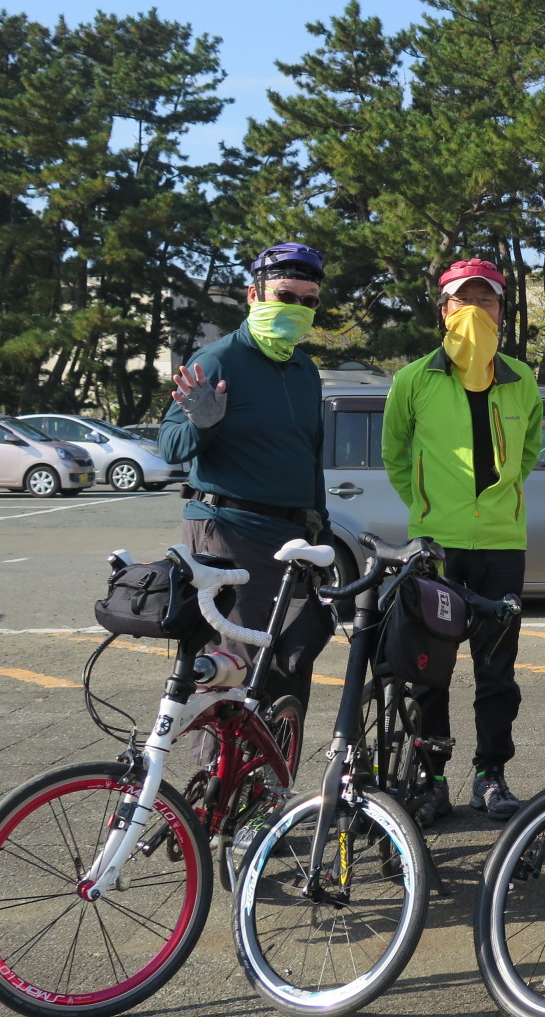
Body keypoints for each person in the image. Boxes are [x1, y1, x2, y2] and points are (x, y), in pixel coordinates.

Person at [381, 258, 542, 824]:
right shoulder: (412, 380)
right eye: (463, 300)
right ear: (443, 310)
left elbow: (526, 458)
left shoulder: (521, 381)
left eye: (488, 300)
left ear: (503, 310)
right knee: (429, 668)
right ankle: (432, 779)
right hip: (438, 546)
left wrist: (498, 506)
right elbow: (395, 455)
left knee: (497, 669)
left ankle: (490, 775)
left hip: (502, 544)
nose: (476, 310)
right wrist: (426, 509)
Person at [158, 241, 332, 725]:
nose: (296, 308)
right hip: (227, 528)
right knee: (231, 669)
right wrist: (201, 423)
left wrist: (323, 528)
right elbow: (170, 446)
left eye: (308, 300)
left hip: (292, 536)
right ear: (253, 294)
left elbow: (309, 455)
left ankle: (270, 789)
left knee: (288, 667)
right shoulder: (217, 360)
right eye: (284, 295)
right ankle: (217, 793)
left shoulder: (304, 369)